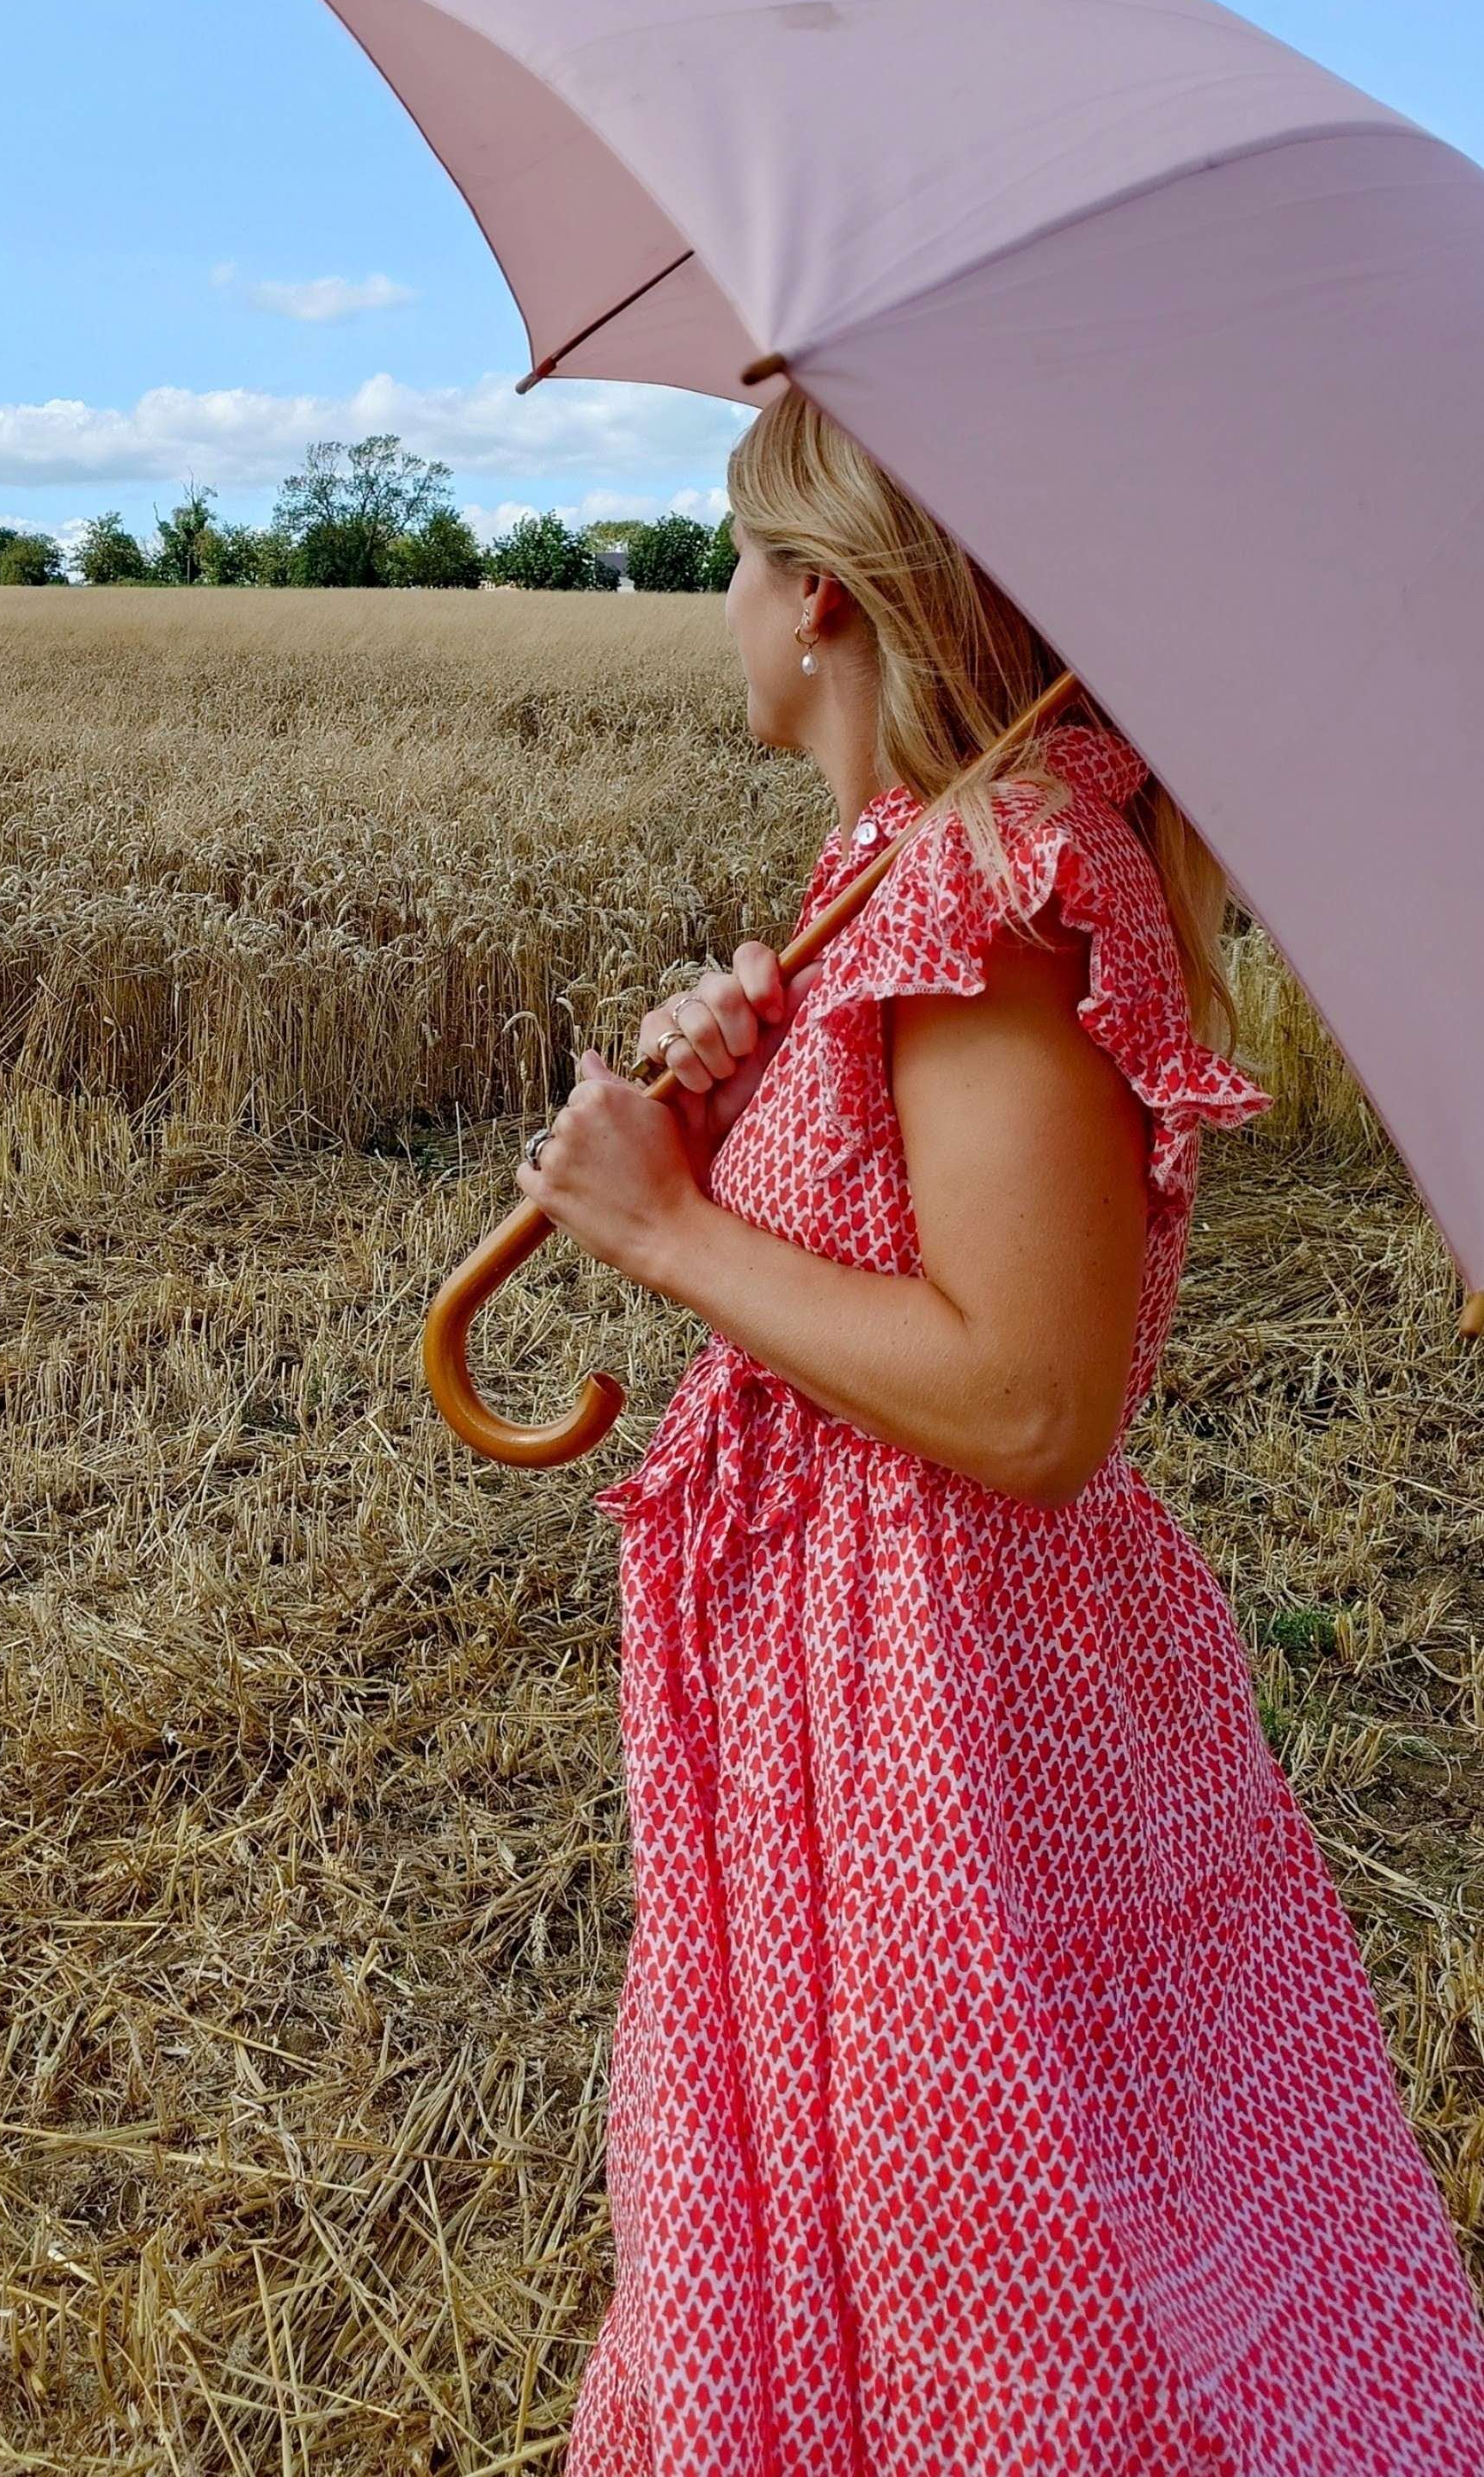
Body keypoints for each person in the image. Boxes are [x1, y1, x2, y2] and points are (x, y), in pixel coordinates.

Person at [515, 389, 1484, 2471]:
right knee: (888, 2222)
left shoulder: (991, 884)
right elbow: (903, 1241)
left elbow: (1031, 1398)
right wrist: (735, 1104)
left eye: (735, 554)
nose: (723, 600)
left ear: (821, 601)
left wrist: (671, 1232)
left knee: (1001, 2259)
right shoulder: (905, 864)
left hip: (943, 1705)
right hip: (859, 1674)